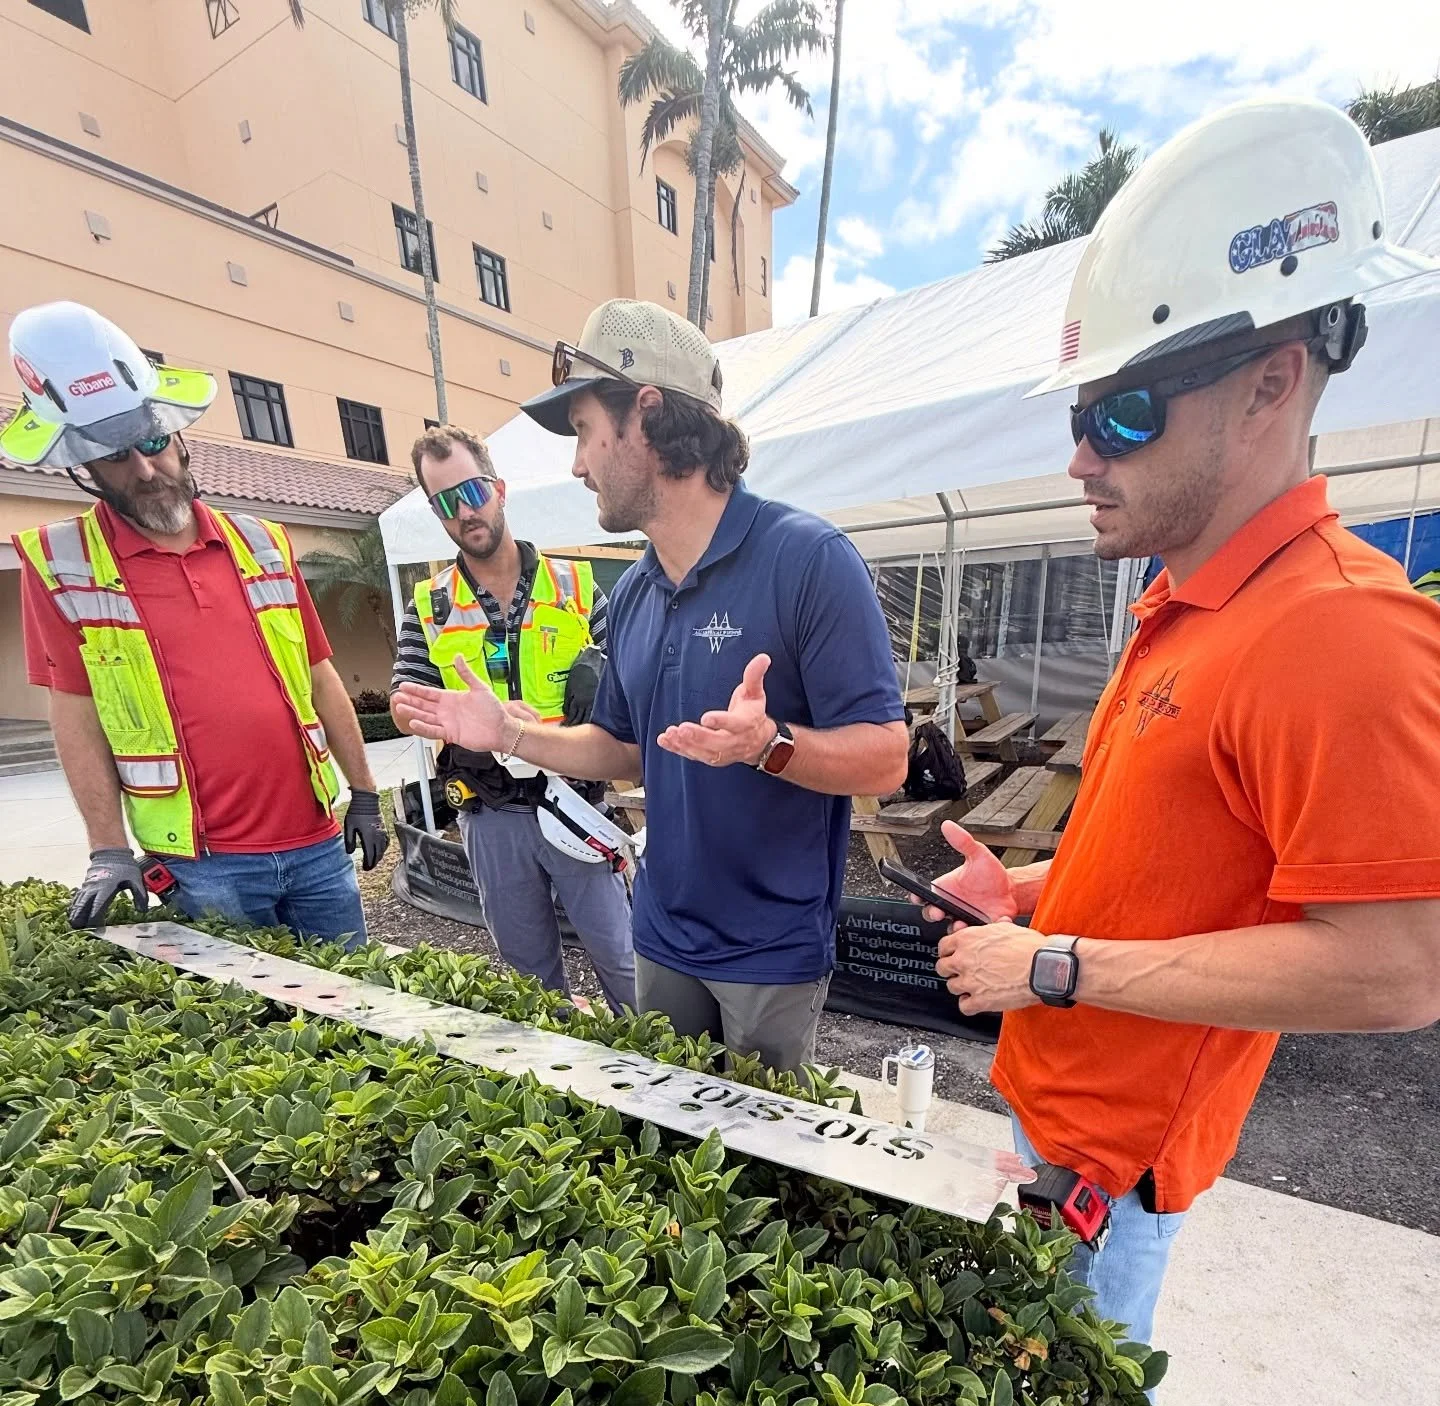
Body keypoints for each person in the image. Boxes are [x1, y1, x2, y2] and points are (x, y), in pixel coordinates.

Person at [921, 99, 1440, 1343]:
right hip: (1058, 1122)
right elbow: (1193, 860)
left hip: (1109, 1176)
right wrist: (1041, 890)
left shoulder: (1342, 629)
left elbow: (1397, 968)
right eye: (1079, 416)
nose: (1083, 457)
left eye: (1125, 414)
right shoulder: (1190, 603)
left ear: (1271, 383)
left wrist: (1053, 966)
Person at [394, 299, 909, 1072]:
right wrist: (508, 735)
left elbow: (887, 759)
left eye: (583, 433)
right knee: (669, 1154)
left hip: (770, 949)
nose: (576, 464)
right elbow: (624, 749)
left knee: (765, 1173)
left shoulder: (809, 558)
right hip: (661, 931)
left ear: (648, 415)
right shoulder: (632, 591)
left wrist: (769, 747)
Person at [5, 301, 387, 947]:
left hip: (318, 844)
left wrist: (366, 791)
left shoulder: (263, 542)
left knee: (361, 1018)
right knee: (252, 1035)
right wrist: (108, 849)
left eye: (153, 443)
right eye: (116, 456)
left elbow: (320, 676)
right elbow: (75, 716)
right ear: (86, 469)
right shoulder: (60, 567)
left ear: (181, 437)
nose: (145, 469)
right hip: (202, 865)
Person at [389, 425, 637, 1013]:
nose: (465, 511)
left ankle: (662, 1087)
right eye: (445, 502)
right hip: (489, 811)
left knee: (625, 963)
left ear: (498, 489)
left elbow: (627, 691)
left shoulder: (576, 586)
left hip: (576, 805)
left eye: (472, 491)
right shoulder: (432, 605)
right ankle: (565, 1092)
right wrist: (431, 718)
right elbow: (404, 701)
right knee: (529, 982)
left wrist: (595, 692)